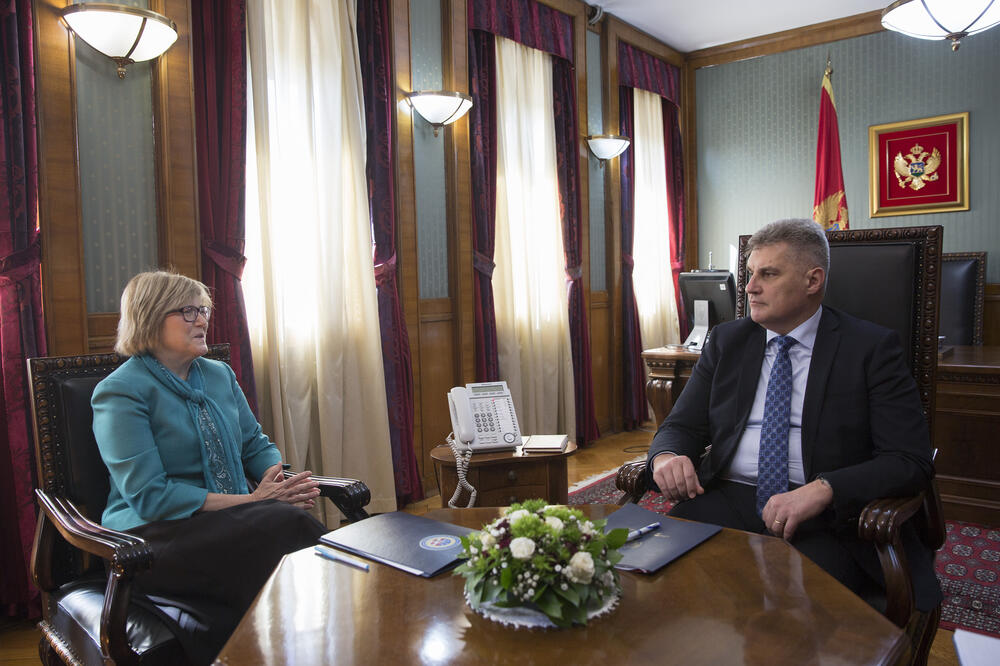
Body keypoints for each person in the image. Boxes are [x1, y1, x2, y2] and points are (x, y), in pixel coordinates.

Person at [647, 218, 941, 613]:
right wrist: (666, 456)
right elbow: (681, 425)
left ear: (812, 281)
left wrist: (823, 489)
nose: (750, 287)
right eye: (751, 273)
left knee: (790, 616)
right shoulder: (727, 342)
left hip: (824, 519)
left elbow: (910, 461)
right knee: (654, 587)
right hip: (726, 498)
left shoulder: (870, 349)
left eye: (768, 274)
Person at [92, 270, 327, 664]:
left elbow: (255, 444)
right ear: (149, 317)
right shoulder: (120, 391)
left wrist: (275, 477)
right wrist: (252, 501)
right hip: (149, 540)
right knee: (281, 525)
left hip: (227, 523)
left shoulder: (218, 374)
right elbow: (151, 496)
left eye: (203, 309)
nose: (202, 319)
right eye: (187, 311)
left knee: (277, 522)